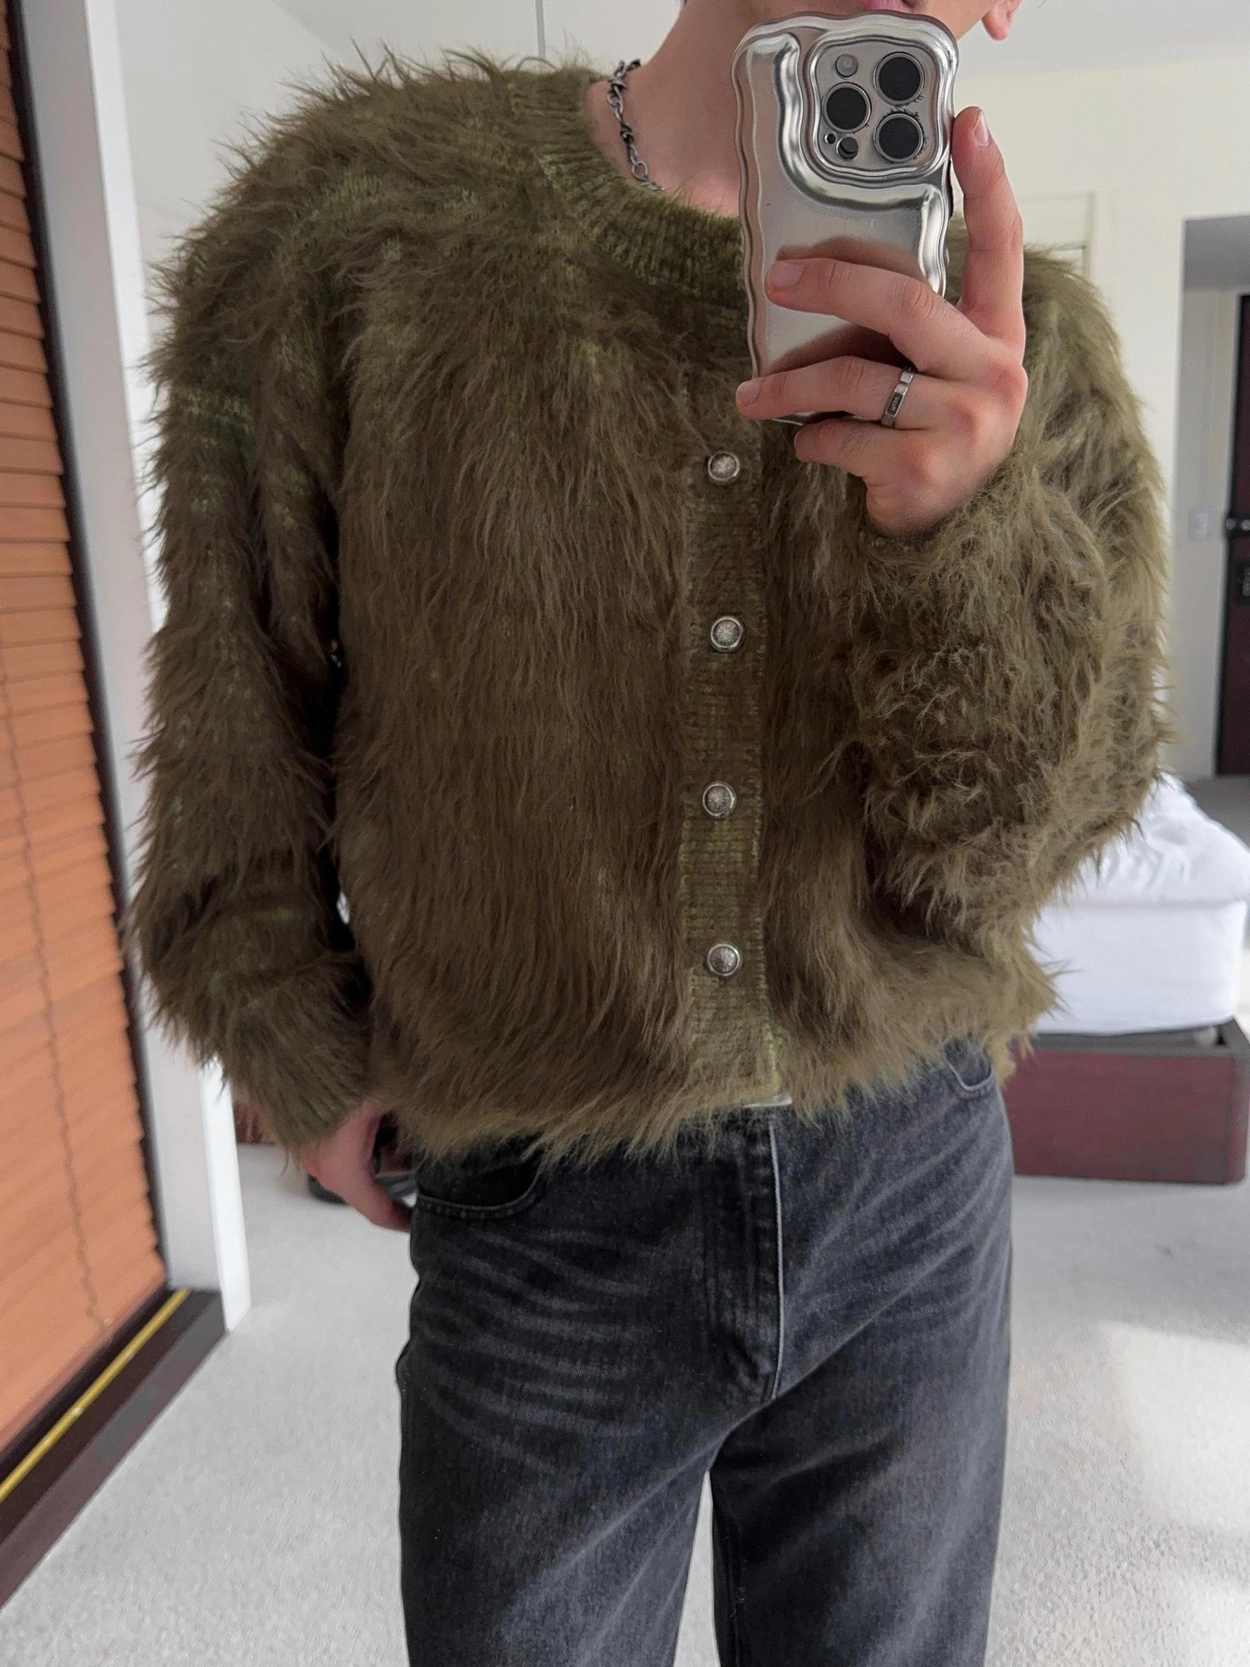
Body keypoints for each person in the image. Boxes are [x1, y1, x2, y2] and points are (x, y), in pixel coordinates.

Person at [123, 0, 1172, 1660]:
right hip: (537, 1201)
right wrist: (288, 1039)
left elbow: (1012, 857)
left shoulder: (1016, 337)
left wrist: (961, 537)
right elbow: (237, 680)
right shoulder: (358, 224)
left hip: (904, 1178)